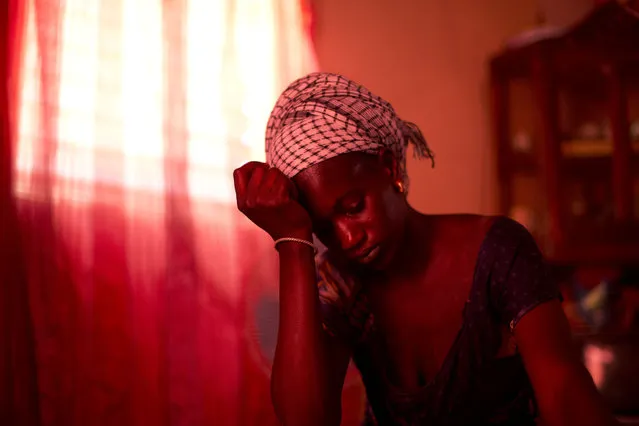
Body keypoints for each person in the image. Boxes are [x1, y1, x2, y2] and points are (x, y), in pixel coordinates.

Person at [233, 72, 618, 426]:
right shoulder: (343, 283)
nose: (348, 239)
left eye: (353, 208)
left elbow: (566, 395)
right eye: (324, 229)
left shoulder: (497, 253)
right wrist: (293, 242)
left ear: (389, 169)